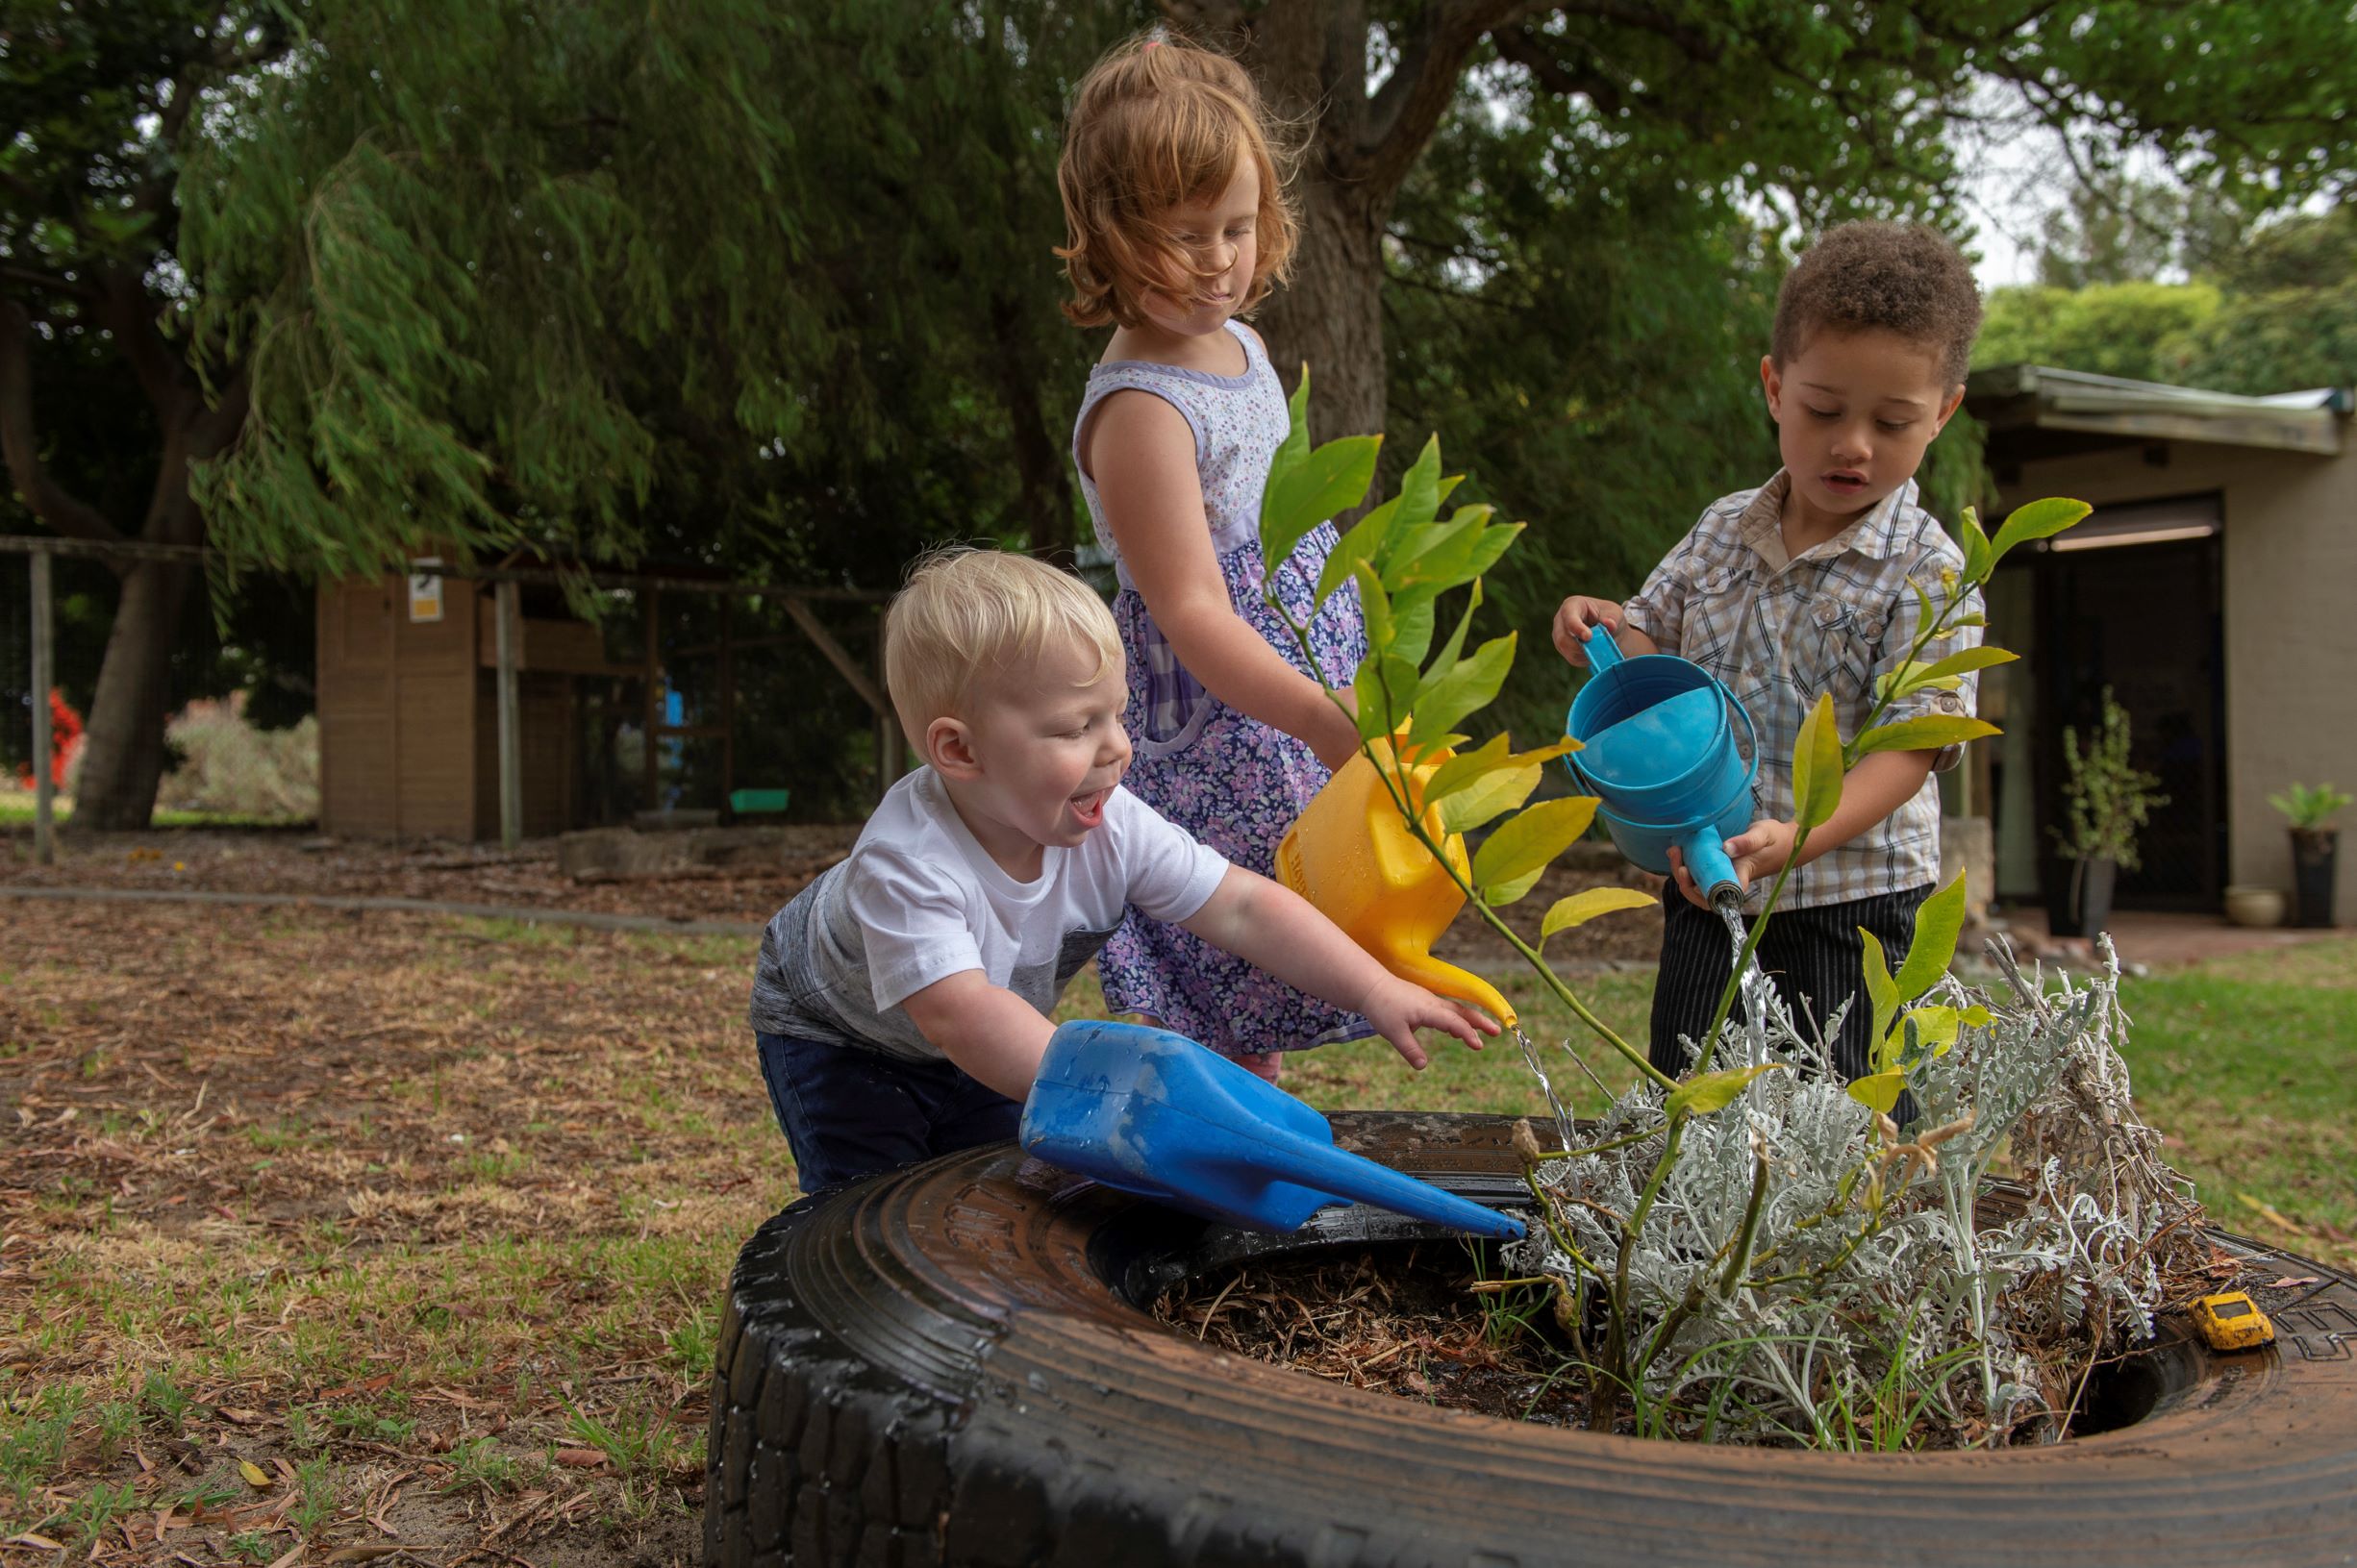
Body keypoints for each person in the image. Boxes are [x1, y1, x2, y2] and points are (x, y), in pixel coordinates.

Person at [748, 549, 1493, 1195]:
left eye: (1118, 714)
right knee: (869, 1208)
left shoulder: (1108, 819)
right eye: (1078, 727)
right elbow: (962, 1014)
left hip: (975, 1034)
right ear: (961, 752)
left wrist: (1373, 985)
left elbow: (1240, 906)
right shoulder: (907, 863)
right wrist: (1134, 1086)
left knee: (994, 1182)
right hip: (840, 1037)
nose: (1117, 749)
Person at [1550, 221, 1987, 1088]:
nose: (1852, 443)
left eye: (1892, 421)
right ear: (1774, 387)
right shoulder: (1722, 528)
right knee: (1693, 1104)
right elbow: (1650, 657)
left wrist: (1799, 838)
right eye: (1824, 409)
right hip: (1706, 881)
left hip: (1849, 905)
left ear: (1940, 415)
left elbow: (1912, 748)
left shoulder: (1929, 571)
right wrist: (1602, 627)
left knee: (1843, 1128)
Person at [1056, 32, 1372, 1082]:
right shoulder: (1142, 407)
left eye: (1237, 227)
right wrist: (1327, 719)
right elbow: (1191, 612)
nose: (1219, 260)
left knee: (1281, 940)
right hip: (1216, 718)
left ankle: (1248, 1145)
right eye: (1183, 236)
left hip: (1285, 664)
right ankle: (1206, 1160)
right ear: (1108, 236)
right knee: (1224, 945)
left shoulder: (1238, 343)